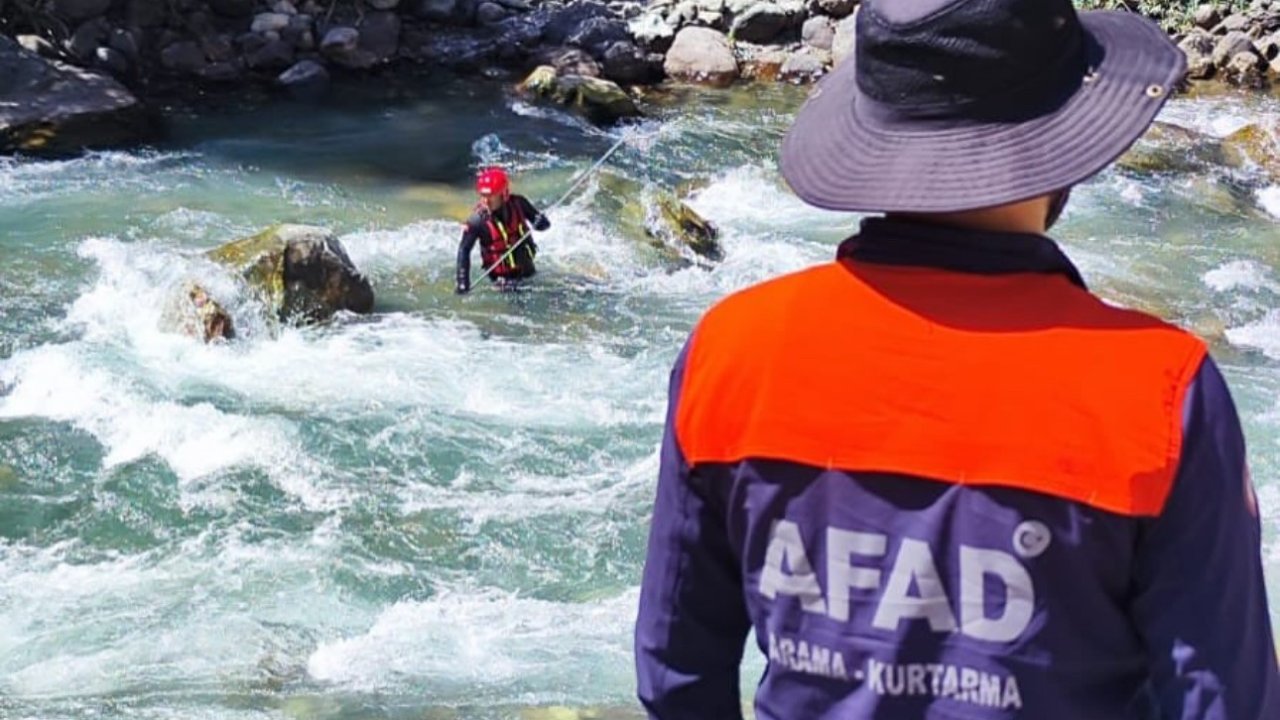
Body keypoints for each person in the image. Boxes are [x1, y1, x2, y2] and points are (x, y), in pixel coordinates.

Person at [633, 0, 1280, 718]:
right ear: (1061, 140)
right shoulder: (1162, 390)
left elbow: (675, 675)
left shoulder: (731, 349)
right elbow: (1224, 700)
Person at [455, 167, 550, 294]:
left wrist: (541, 221)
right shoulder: (477, 221)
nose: (486, 201)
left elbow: (543, 226)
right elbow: (464, 250)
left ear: (503, 194)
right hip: (502, 279)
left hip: (527, 269)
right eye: (483, 196)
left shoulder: (519, 204)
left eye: (491, 196)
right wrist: (463, 282)